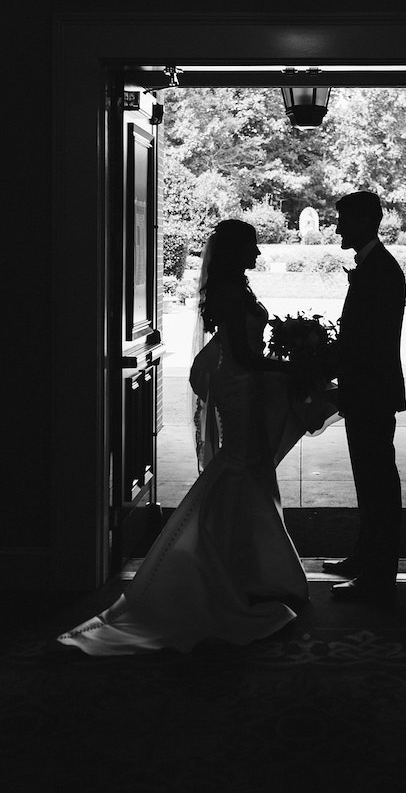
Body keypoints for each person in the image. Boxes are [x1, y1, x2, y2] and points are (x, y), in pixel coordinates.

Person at [56, 219, 328, 656]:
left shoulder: (235, 286)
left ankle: (250, 568)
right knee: (240, 465)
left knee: (250, 469)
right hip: (238, 385)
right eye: (252, 248)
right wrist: (290, 368)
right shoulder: (226, 291)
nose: (258, 255)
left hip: (246, 382)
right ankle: (215, 563)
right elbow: (241, 355)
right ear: (235, 251)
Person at [321, 191, 406, 602]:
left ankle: (378, 576)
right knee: (368, 480)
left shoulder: (381, 270)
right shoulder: (374, 265)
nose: (337, 228)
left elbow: (371, 342)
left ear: (361, 222)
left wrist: (329, 365)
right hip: (365, 390)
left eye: (342, 220)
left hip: (372, 391)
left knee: (378, 483)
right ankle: (363, 557)